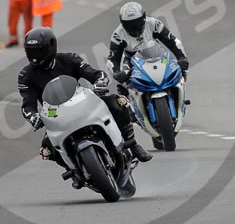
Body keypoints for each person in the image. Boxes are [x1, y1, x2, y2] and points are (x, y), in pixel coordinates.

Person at [18, 27, 152, 188]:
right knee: (46, 149)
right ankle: (73, 169)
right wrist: (33, 116)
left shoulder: (69, 59)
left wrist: (100, 82)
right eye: (31, 51)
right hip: (54, 114)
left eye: (39, 51)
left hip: (81, 101)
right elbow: (27, 104)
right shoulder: (25, 75)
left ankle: (132, 144)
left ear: (51, 46)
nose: (35, 56)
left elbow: (96, 74)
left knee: (117, 102)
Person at [107, 2, 189, 89]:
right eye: (129, 25)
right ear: (122, 23)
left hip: (161, 59)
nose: (135, 29)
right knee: (124, 85)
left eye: (138, 23)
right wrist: (117, 73)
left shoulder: (154, 24)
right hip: (133, 64)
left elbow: (173, 42)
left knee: (177, 74)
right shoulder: (118, 35)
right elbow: (113, 59)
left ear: (144, 19)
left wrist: (182, 58)